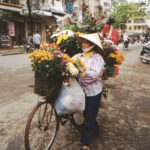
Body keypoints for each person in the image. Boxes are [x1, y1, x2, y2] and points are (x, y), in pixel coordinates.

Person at [72, 33, 105, 150]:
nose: (83, 45)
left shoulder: (98, 58)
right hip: (82, 91)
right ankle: (94, 129)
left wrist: (80, 70)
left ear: (92, 45)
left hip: (94, 91)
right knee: (87, 114)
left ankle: (85, 142)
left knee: (90, 116)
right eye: (82, 42)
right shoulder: (79, 56)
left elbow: (94, 75)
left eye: (86, 42)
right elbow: (69, 62)